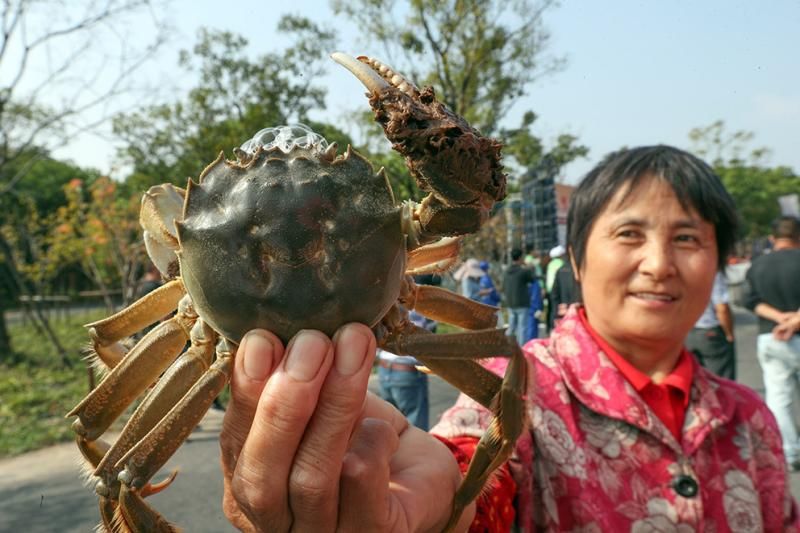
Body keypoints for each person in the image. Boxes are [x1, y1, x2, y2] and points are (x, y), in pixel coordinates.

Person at [218, 146, 798, 532]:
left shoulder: (752, 420)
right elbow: (469, 467)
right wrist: (446, 503)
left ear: (720, 259)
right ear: (575, 254)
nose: (658, 263)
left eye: (688, 239)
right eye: (629, 233)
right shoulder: (518, 386)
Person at [744, 215, 800, 469]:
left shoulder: (757, 265)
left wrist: (780, 319)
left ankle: (790, 453)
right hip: (793, 333)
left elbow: (750, 301)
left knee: (779, 398)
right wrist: (794, 321)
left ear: (772, 238)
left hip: (771, 336)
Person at [375, 309, 433, 431]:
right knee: (416, 431)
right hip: (407, 371)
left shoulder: (383, 296)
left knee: (390, 428)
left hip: (385, 368)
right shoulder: (414, 296)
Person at [685, 271, 736, 379]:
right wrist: (729, 333)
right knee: (721, 381)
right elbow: (722, 308)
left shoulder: (683, 272)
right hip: (710, 330)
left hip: (686, 332)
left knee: (693, 379)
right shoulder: (714, 273)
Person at [502, 248, 535, 345]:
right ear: (520, 258)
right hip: (522, 303)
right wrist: (528, 267)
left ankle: (506, 346)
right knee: (522, 328)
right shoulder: (523, 271)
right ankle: (521, 350)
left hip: (511, 303)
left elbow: (503, 286)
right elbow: (532, 279)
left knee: (511, 327)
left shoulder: (506, 272)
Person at [548, 260, 580, 329]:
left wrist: (556, 313)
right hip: (580, 313)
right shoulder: (584, 270)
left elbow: (554, 295)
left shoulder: (561, 270)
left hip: (564, 312)